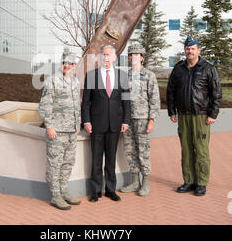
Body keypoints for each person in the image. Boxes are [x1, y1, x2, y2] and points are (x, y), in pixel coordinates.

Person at [166, 36, 222, 196]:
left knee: (201, 150)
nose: (189, 51)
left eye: (192, 48)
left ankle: (201, 183)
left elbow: (216, 93)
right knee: (186, 150)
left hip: (201, 116)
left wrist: (213, 113)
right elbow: (170, 91)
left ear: (198, 50)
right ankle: (189, 181)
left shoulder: (208, 68)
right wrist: (172, 111)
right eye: (187, 48)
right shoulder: (178, 68)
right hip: (183, 116)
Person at [81, 44, 131, 202]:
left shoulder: (122, 76)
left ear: (115, 57)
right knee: (96, 159)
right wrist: (86, 121)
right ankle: (95, 191)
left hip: (115, 124)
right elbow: (86, 102)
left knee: (111, 159)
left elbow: (126, 101)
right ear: (100, 57)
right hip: (96, 124)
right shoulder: (91, 75)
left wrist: (126, 120)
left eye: (109, 55)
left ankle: (110, 189)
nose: (106, 58)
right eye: (103, 55)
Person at [38, 51, 82, 210]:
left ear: (74, 65)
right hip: (57, 131)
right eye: (64, 62)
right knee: (54, 164)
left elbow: (77, 104)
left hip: (71, 131)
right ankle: (55, 195)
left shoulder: (76, 82)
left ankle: (63, 190)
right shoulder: (52, 81)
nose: (67, 66)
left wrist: (78, 124)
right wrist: (49, 125)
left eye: (70, 63)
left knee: (68, 163)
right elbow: (44, 106)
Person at [120, 43, 160, 196]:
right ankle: (135, 181)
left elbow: (154, 99)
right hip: (128, 120)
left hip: (143, 119)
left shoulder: (149, 75)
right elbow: (123, 99)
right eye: (131, 55)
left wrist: (152, 120)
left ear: (142, 57)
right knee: (130, 151)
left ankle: (145, 183)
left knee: (143, 152)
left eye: (136, 54)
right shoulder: (125, 76)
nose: (133, 57)